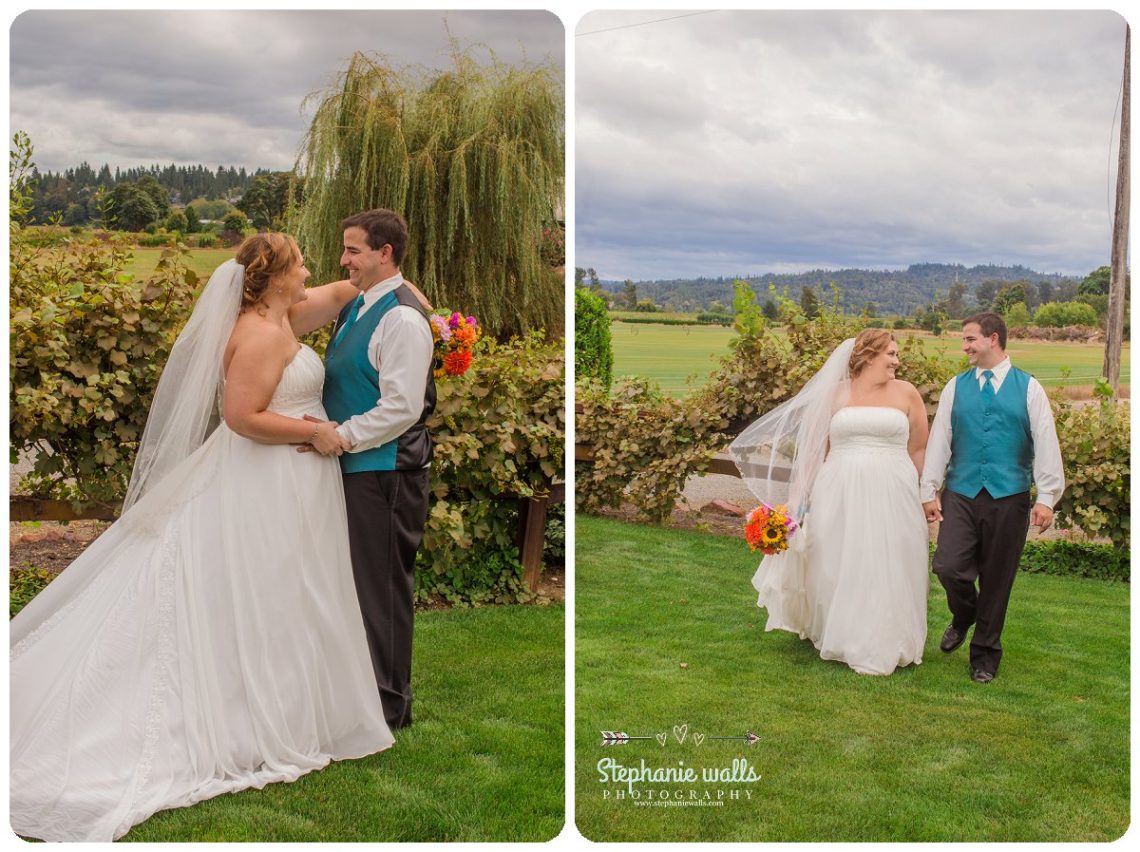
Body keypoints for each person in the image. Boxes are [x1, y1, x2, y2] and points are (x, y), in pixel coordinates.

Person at [9, 234, 394, 842]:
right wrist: (315, 433)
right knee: (254, 591)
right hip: (264, 481)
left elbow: (352, 287)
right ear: (275, 280)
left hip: (291, 482)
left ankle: (285, 701)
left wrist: (418, 305)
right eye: (300, 265)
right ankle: (239, 712)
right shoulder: (262, 335)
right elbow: (243, 418)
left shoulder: (282, 316)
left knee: (286, 594)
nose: (311, 271)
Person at [730, 329, 930, 676]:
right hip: (839, 489)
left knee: (889, 561)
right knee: (841, 561)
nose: (897, 361)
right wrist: (796, 502)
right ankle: (842, 633)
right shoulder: (835, 394)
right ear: (869, 356)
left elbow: (918, 448)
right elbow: (812, 453)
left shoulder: (907, 393)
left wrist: (927, 493)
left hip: (894, 491)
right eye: (891, 354)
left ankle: (886, 639)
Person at [310, 208, 436, 731]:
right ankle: (358, 693)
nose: (344, 260)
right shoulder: (359, 307)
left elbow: (402, 406)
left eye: (353, 250)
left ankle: (390, 705)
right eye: (344, 249)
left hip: (385, 472)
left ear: (386, 253)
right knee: (353, 585)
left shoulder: (403, 319)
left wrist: (342, 437)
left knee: (381, 587)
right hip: (354, 468)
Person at [921, 312, 1064, 684]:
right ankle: (964, 614)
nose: (964, 346)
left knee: (998, 580)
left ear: (993, 339)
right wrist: (929, 489)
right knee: (947, 567)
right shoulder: (956, 386)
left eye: (970, 339)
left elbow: (1046, 443)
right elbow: (940, 441)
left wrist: (1047, 496)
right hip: (962, 493)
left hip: (1009, 496)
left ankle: (985, 654)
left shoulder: (1029, 388)